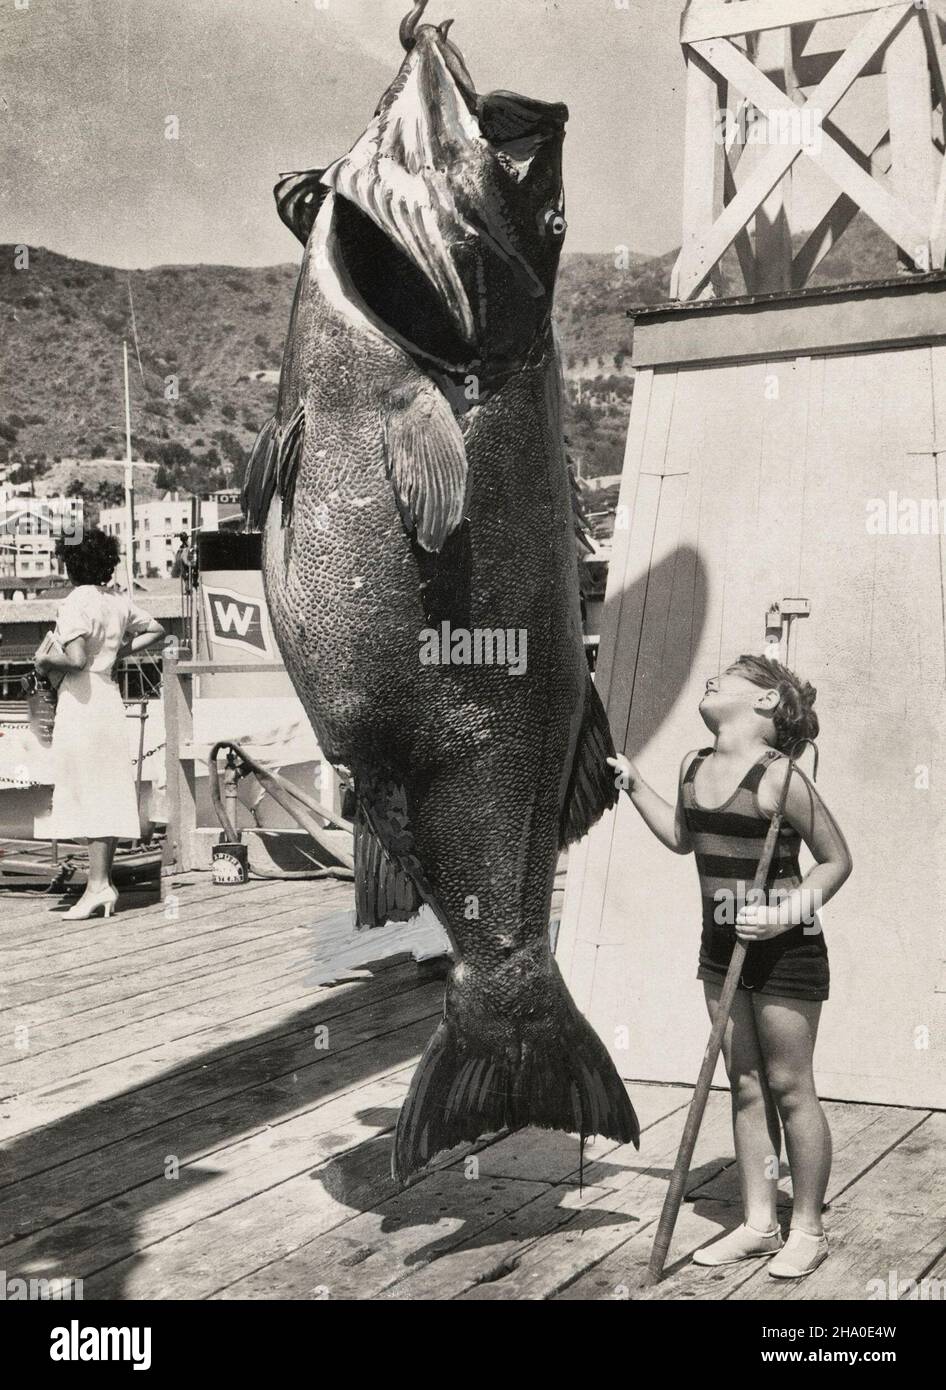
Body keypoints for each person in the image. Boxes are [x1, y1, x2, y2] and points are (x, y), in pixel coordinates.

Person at [608, 655, 852, 1279]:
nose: (713, 677)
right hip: (720, 951)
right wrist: (636, 786)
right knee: (744, 1084)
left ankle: (808, 1228)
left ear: (766, 703)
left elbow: (835, 860)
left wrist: (781, 915)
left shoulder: (779, 777)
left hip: (786, 949)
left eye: (733, 675)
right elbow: (683, 836)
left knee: (789, 1085)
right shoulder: (693, 766)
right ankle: (758, 1222)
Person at [35, 530, 165, 920]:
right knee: (105, 790)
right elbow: (156, 630)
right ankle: (102, 883)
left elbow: (74, 660)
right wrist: (116, 652)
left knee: (86, 789)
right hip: (107, 694)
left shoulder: (77, 601)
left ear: (71, 564)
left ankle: (96, 887)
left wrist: (44, 663)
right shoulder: (117, 600)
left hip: (81, 699)